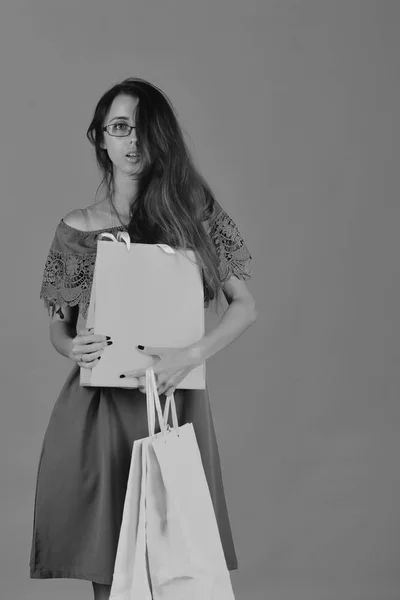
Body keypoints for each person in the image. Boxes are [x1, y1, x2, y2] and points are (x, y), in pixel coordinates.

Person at [29, 77, 257, 600]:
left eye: (144, 130)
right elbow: (60, 329)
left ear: (162, 140)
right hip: (100, 411)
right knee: (112, 573)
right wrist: (72, 347)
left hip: (174, 405)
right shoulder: (77, 227)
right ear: (100, 139)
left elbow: (245, 306)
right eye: (119, 128)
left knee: (178, 568)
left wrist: (189, 357)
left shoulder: (193, 213)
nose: (133, 142)